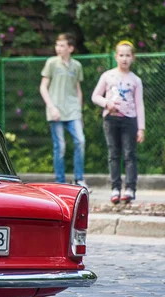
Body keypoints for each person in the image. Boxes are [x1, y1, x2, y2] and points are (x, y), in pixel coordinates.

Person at [91, 40, 145, 204]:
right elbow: (95, 96)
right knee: (113, 154)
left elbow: (139, 104)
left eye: (128, 55)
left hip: (129, 120)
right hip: (111, 120)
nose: (124, 59)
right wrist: (107, 103)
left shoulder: (135, 80)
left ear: (133, 58)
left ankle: (130, 189)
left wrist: (141, 128)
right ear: (116, 57)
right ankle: (115, 188)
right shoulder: (107, 76)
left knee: (129, 154)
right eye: (121, 55)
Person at [39, 33, 87, 189]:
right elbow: (43, 87)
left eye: (62, 45)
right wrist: (51, 107)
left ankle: (79, 178)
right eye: (57, 45)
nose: (58, 48)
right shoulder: (51, 63)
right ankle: (60, 181)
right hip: (56, 111)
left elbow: (78, 90)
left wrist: (79, 113)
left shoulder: (77, 66)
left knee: (80, 141)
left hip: (72, 110)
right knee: (60, 147)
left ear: (71, 48)